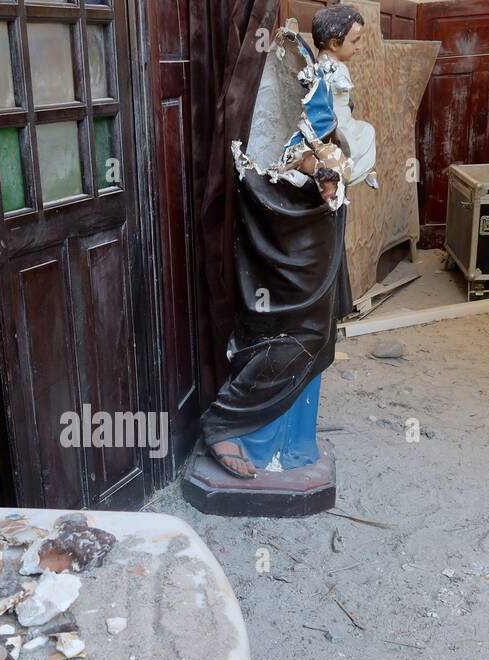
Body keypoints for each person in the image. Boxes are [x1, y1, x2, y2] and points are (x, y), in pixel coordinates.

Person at [203, 6, 366, 480]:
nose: (358, 49)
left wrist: (341, 163)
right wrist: (328, 171)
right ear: (334, 41)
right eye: (354, 40)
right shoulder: (309, 71)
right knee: (298, 332)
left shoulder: (328, 74)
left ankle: (291, 442)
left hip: (317, 219)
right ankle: (226, 423)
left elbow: (330, 139)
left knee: (317, 332)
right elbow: (293, 152)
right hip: (294, 222)